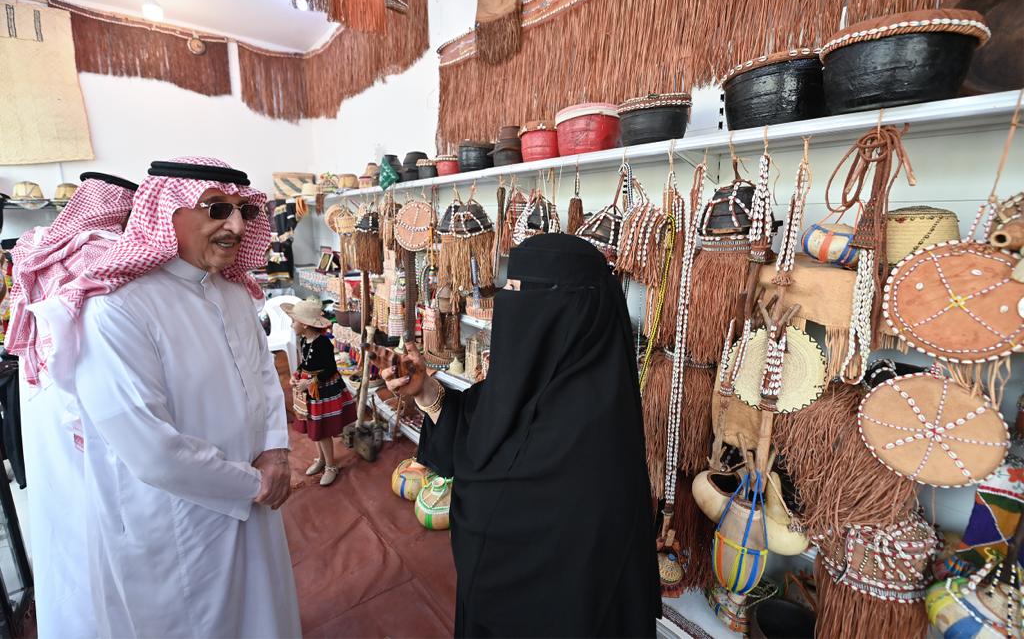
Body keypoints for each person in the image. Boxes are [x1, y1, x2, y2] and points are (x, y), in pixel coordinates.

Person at [31, 157, 301, 638]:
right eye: (216, 209)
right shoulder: (116, 309)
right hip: (180, 522)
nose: (237, 226)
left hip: (260, 490)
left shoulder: (234, 293)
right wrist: (252, 482)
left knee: (266, 615)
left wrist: (277, 451)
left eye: (243, 211)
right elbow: (152, 451)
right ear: (167, 212)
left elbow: (264, 373)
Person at [374, 233, 661, 638]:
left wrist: (476, 497)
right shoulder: (537, 381)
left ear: (564, 310)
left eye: (516, 288)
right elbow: (487, 422)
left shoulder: (593, 443)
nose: (505, 301)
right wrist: (426, 391)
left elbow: (522, 547)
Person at [7, 171, 136, 638]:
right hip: (78, 402)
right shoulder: (100, 253)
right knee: (100, 525)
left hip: (42, 395)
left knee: (62, 521)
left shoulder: (40, 247)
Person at [283, 299, 356, 486]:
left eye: (294, 321)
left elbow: (331, 369)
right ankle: (322, 459)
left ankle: (331, 466)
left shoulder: (323, 343)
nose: (292, 325)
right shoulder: (304, 340)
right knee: (314, 426)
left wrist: (310, 382)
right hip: (311, 390)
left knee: (322, 431)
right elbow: (305, 364)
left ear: (305, 325)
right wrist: (296, 375)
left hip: (324, 390)